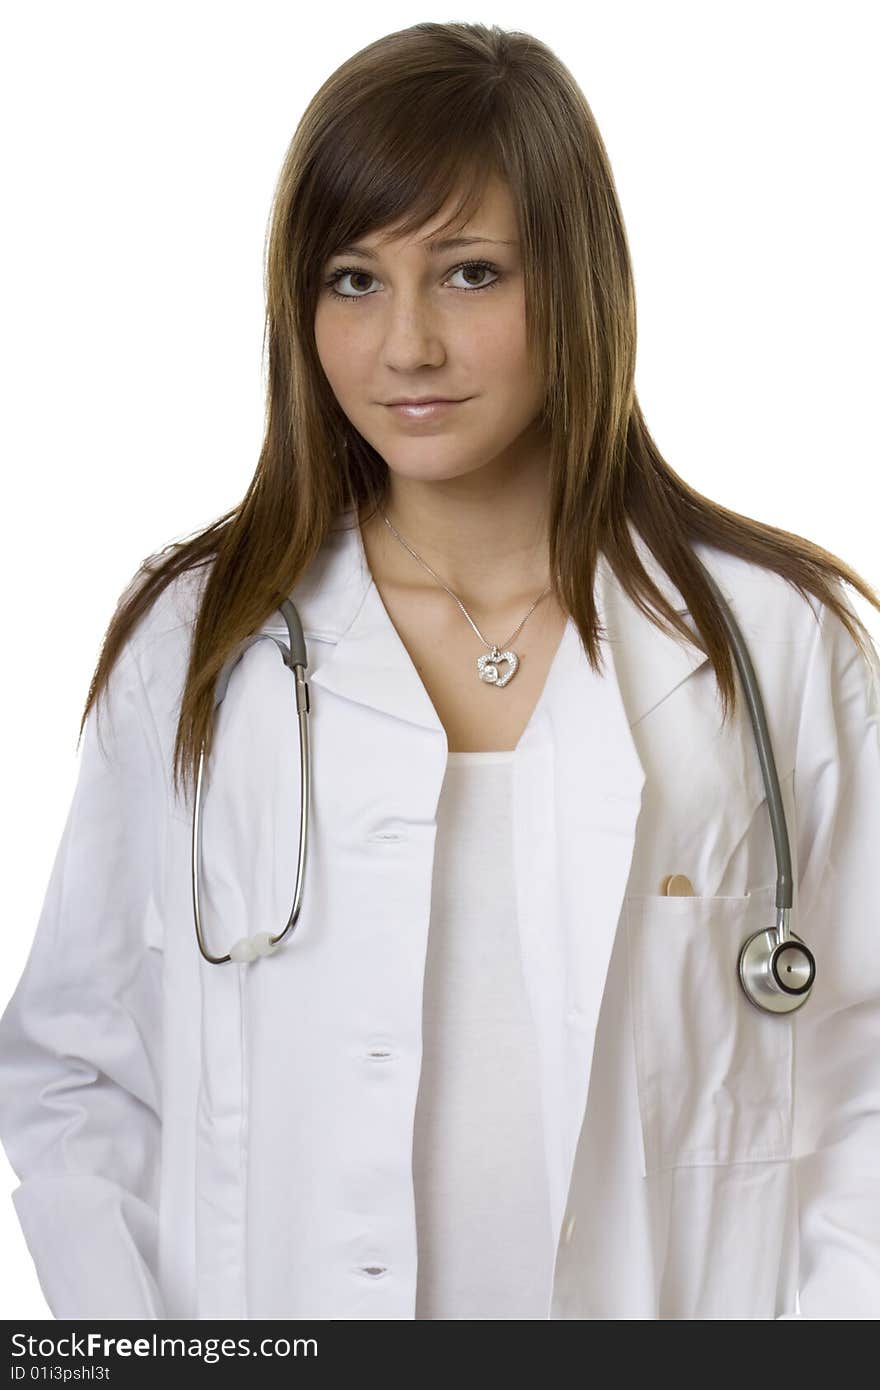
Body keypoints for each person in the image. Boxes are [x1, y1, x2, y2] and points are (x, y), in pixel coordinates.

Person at [1, 20, 879, 1321]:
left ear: (575, 283)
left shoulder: (768, 643)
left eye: (468, 274)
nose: (405, 345)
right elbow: (76, 1077)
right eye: (353, 280)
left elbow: (864, 1077)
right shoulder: (204, 641)